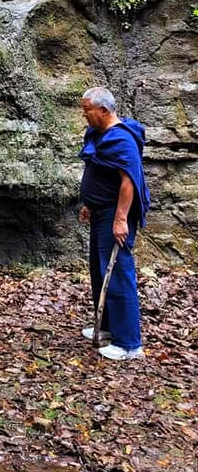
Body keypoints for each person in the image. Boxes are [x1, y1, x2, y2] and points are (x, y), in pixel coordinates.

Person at [78, 86, 150, 360]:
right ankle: (106, 327)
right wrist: (90, 203)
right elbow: (100, 172)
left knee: (118, 273)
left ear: (104, 111)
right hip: (100, 212)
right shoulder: (100, 134)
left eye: (87, 110)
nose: (84, 115)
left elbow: (128, 181)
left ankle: (129, 344)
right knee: (100, 270)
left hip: (115, 215)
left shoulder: (121, 139)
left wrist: (120, 219)